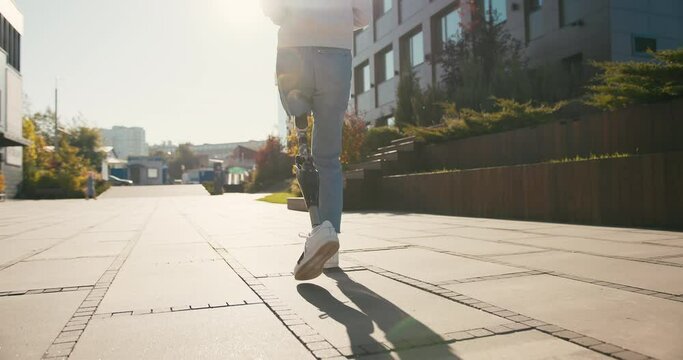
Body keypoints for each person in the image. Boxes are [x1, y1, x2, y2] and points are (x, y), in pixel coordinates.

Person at [262, 0, 371, 280]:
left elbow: (272, 8)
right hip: (335, 55)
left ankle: (317, 232)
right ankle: (329, 243)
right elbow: (364, 14)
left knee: (302, 145)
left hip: (293, 52)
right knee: (328, 157)